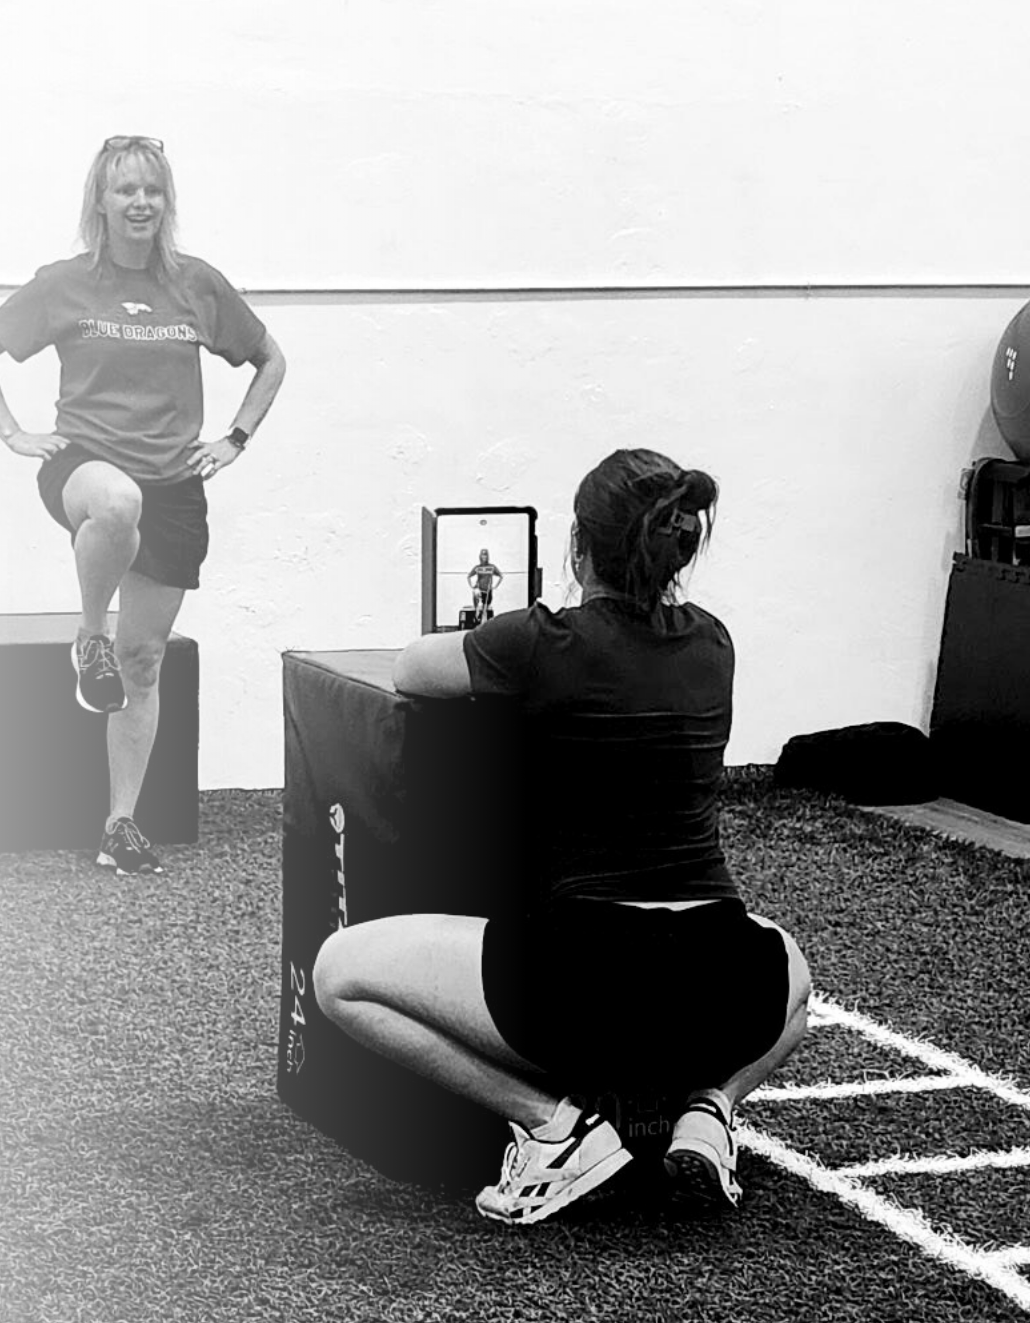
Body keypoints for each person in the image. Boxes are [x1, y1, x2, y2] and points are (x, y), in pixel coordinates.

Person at [312, 446, 811, 1226]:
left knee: (339, 972)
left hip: (583, 990)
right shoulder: (715, 644)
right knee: (793, 973)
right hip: (722, 987)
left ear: (580, 549)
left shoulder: (541, 643)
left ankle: (555, 1125)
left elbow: (413, 668)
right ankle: (709, 1110)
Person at [0, 135, 286, 875]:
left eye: (153, 192)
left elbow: (272, 360)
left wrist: (236, 436)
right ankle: (87, 636)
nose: (140, 204)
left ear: (166, 203)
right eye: (125, 191)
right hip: (85, 467)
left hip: (176, 486)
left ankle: (120, 825)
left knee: (143, 662)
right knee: (117, 502)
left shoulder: (198, 286)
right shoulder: (65, 284)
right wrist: (12, 432)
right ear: (99, 202)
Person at [467, 547, 503, 623]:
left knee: (485, 606)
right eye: (483, 555)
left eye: (485, 555)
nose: (484, 557)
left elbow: (500, 576)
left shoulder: (492, 567)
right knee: (476, 593)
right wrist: (472, 586)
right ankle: (476, 612)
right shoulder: (478, 567)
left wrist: (495, 586)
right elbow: (469, 576)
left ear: (488, 557)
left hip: (488, 590)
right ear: (480, 557)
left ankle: (483, 619)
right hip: (479, 589)